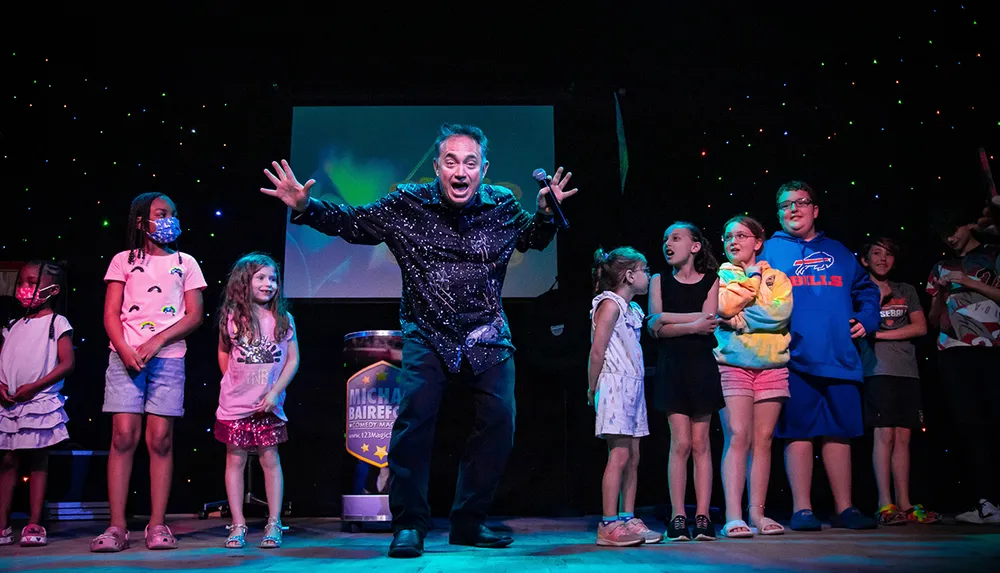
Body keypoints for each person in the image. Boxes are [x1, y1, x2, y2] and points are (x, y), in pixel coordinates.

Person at [259, 124, 577, 557]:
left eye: (469, 163)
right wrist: (307, 206)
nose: (460, 171)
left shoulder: (501, 204)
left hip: (487, 336)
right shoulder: (408, 202)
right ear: (437, 167)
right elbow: (355, 224)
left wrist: (544, 213)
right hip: (427, 333)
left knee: (500, 423)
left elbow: (532, 239)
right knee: (413, 426)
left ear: (484, 169)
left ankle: (469, 521)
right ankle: (409, 523)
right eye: (451, 162)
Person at [759, 181, 879, 531]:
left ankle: (845, 508)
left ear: (815, 209)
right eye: (784, 205)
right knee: (798, 431)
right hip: (793, 358)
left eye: (800, 202)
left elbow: (866, 289)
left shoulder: (839, 252)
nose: (793, 209)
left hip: (839, 357)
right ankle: (803, 509)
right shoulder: (768, 252)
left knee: (839, 433)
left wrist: (868, 319)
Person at [91, 193, 207, 552]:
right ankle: (117, 526)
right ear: (142, 221)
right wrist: (125, 350)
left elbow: (194, 315)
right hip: (124, 357)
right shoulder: (122, 261)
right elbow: (111, 314)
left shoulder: (185, 262)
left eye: (172, 213)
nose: (168, 218)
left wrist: (156, 342)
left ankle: (157, 524)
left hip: (168, 357)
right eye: (161, 213)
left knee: (160, 439)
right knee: (123, 436)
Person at [713, 215, 793, 538]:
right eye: (729, 236)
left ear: (758, 242)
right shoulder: (721, 274)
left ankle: (757, 514)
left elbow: (779, 315)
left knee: (763, 440)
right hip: (733, 364)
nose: (734, 242)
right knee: (737, 436)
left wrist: (741, 320)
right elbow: (724, 306)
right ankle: (734, 516)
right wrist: (751, 282)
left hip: (771, 366)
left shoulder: (780, 278)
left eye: (742, 236)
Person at [215, 253, 299, 548]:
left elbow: (292, 360)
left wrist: (274, 392)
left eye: (273, 278)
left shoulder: (283, 318)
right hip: (235, 406)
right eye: (261, 277)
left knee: (269, 459)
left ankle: (273, 523)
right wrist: (233, 383)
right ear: (244, 282)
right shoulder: (231, 318)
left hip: (268, 405)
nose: (269, 284)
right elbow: (224, 353)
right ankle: (238, 524)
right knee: (235, 460)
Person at [646, 222, 722, 542]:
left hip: (702, 367)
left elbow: (709, 323)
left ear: (694, 246)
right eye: (665, 238)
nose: (668, 243)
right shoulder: (658, 280)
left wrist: (669, 320)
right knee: (681, 443)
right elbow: (653, 326)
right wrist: (686, 322)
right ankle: (678, 516)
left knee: (702, 444)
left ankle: (702, 516)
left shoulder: (712, 281)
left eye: (675, 238)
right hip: (672, 368)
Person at [926, 206, 1000, 524]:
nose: (951, 239)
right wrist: (942, 295)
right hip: (953, 352)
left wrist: (967, 281)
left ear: (967, 225)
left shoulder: (994, 255)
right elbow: (932, 321)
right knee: (971, 427)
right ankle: (986, 502)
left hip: (992, 349)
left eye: (954, 231)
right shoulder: (940, 266)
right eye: (944, 235)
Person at [858, 237, 939, 526]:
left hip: (908, 371)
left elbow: (920, 327)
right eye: (876, 254)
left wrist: (877, 335)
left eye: (888, 254)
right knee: (884, 436)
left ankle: (904, 502)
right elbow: (857, 326)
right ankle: (884, 503)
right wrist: (874, 301)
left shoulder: (906, 290)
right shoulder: (860, 292)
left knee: (904, 437)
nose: (883, 259)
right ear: (865, 260)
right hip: (877, 370)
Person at [588, 247, 661, 547]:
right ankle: (608, 523)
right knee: (618, 455)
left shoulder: (631, 309)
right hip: (615, 385)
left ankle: (627, 516)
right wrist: (592, 388)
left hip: (633, 386)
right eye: (644, 270)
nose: (647, 276)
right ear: (630, 276)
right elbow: (597, 350)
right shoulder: (610, 304)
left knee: (633, 456)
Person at [0, 261, 74, 547]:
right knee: (6, 460)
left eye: (31, 282)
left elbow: (67, 363)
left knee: (37, 461)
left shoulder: (57, 323)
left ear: (52, 289)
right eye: (21, 282)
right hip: (9, 404)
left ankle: (34, 522)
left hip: (38, 401)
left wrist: (35, 387)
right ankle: (3, 523)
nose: (23, 288)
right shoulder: (12, 324)